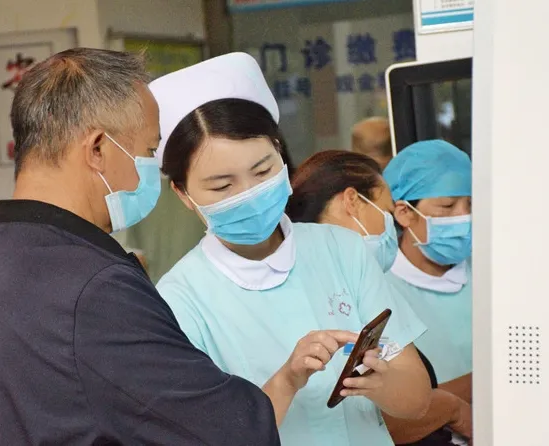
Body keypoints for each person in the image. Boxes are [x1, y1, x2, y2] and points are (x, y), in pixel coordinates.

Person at [0, 48, 280, 445]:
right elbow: (226, 428)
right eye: (149, 151)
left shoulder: (15, 243)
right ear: (97, 149)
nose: (152, 169)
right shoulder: (94, 287)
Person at [151, 52, 432, 446]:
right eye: (222, 186)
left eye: (263, 171)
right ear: (183, 194)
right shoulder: (178, 300)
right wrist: (286, 381)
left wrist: (381, 383)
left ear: (280, 154)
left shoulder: (342, 249)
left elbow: (417, 399)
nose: (249, 194)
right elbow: (203, 435)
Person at [287, 150, 472, 445]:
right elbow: (369, 412)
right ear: (353, 201)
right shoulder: (319, 299)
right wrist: (452, 408)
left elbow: (411, 392)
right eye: (386, 213)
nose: (390, 229)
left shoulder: (364, 288)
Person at [383, 140, 472, 401]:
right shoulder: (380, 287)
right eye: (447, 206)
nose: (464, 217)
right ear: (404, 213)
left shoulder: (494, 272)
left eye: (471, 205)